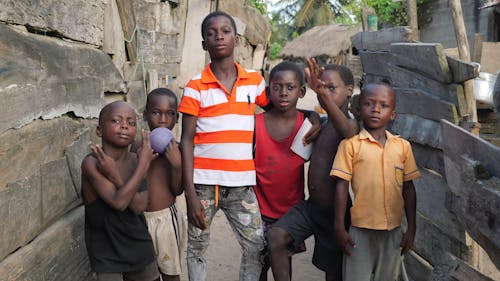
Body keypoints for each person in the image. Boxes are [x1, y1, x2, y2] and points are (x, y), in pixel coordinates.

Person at [178, 11, 270, 281]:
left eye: (225, 31)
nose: (219, 36)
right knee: (196, 248)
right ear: (204, 44)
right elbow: (186, 140)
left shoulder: (254, 81)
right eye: (211, 32)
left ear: (237, 39)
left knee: (256, 247)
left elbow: (279, 110)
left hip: (241, 185)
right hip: (204, 185)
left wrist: (311, 115)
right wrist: (190, 194)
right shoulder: (195, 87)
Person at [267, 58, 358, 281]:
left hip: (336, 213)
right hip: (311, 207)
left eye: (331, 88)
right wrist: (314, 116)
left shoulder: (352, 124)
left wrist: (322, 99)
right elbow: (301, 111)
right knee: (276, 237)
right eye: (321, 88)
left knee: (334, 272)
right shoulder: (324, 123)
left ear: (349, 91)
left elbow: (347, 132)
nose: (324, 92)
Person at [331, 83, 420, 281]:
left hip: (393, 232)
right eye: (368, 104)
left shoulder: (402, 147)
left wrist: (411, 228)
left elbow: (409, 189)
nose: (376, 109)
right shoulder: (350, 145)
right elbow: (341, 186)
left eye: (383, 105)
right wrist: (339, 226)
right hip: (360, 232)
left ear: (393, 114)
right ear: (359, 109)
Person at [81, 100, 160, 281]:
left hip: (139, 246)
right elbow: (119, 202)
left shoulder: (135, 160)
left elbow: (139, 206)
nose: (124, 126)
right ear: (99, 130)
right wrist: (144, 164)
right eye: (116, 121)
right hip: (106, 252)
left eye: (131, 123)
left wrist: (117, 174)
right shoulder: (91, 163)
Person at [253, 61, 309, 281]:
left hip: (291, 211)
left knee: (283, 262)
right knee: (258, 264)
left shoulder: (307, 126)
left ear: (301, 91)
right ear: (268, 91)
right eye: (277, 87)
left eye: (290, 87)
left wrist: (313, 117)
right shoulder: (255, 124)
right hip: (258, 210)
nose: (283, 93)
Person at [136, 88, 186, 281]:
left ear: (177, 117)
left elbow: (177, 190)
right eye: (156, 113)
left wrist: (176, 165)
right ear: (145, 114)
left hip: (165, 220)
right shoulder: (137, 145)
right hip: (139, 220)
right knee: (145, 274)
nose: (163, 119)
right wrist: (142, 160)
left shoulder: (178, 149)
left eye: (169, 114)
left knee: (170, 273)